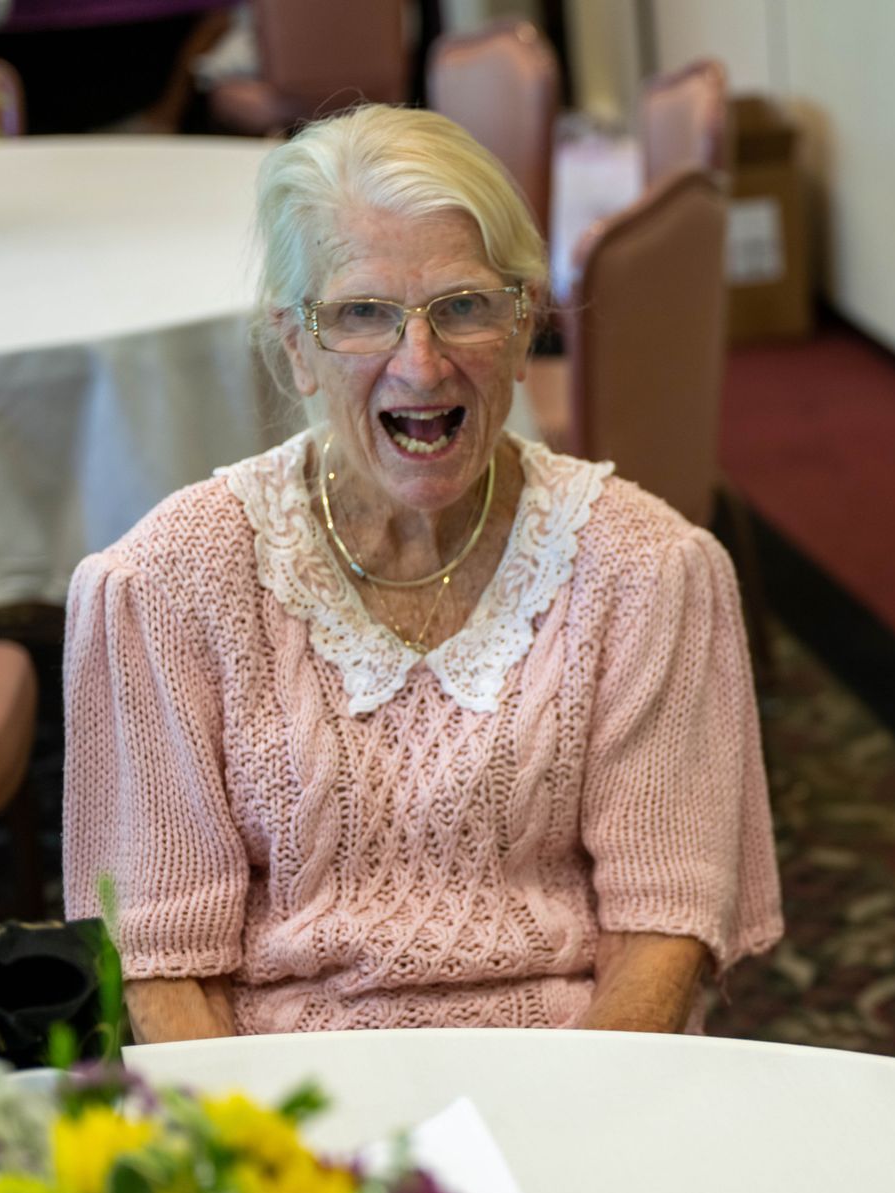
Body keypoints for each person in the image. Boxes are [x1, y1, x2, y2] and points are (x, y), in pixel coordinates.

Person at [63, 105, 781, 1040]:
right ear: (296, 347)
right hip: (290, 1102)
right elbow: (162, 966)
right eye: (362, 314)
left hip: (577, 1068)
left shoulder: (647, 571)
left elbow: (662, 936)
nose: (421, 363)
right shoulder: (169, 585)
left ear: (526, 330)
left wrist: (576, 1136)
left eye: (464, 307)